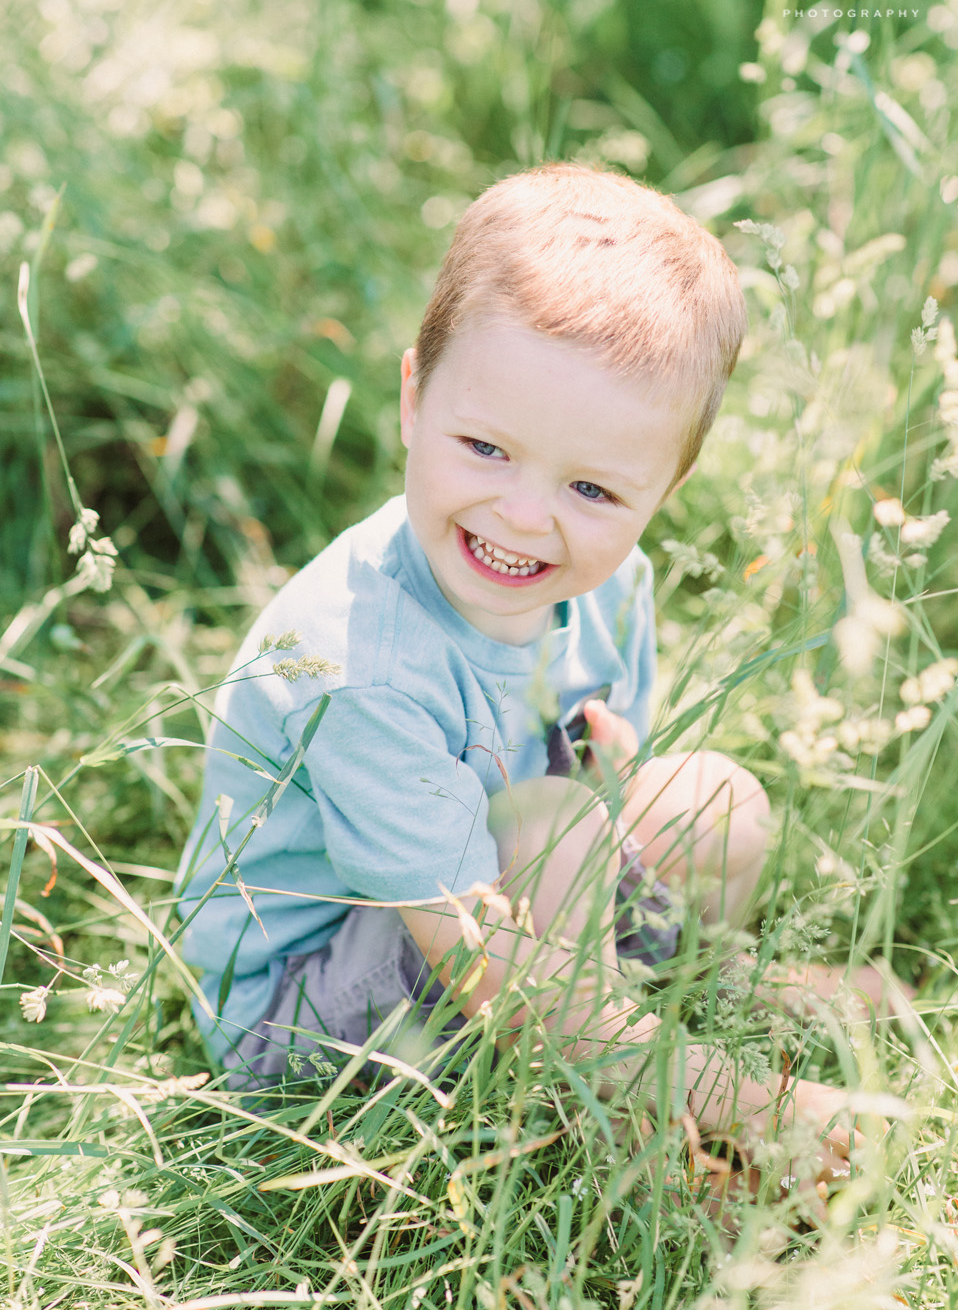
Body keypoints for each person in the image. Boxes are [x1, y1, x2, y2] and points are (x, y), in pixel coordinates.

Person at [176, 162, 874, 1212]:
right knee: (554, 824)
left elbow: (598, 766)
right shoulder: (357, 661)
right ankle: (636, 1147)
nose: (523, 516)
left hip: (508, 900)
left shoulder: (609, 579)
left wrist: (622, 779)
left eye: (591, 487)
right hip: (305, 1017)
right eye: (485, 447)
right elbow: (485, 960)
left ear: (661, 490)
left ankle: (693, 993)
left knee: (711, 802)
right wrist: (756, 1098)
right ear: (414, 399)